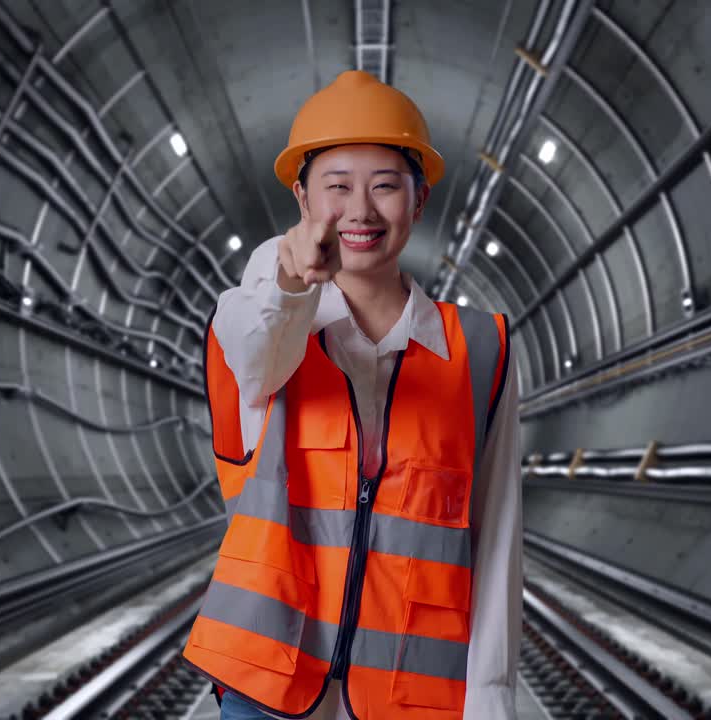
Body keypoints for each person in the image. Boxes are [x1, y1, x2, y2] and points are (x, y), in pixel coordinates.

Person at [182, 70, 521, 720]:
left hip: (410, 696)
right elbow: (258, 357)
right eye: (337, 186)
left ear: (419, 203)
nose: (360, 211)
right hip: (267, 690)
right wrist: (291, 273)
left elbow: (497, 537)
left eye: (385, 186)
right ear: (301, 196)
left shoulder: (482, 351)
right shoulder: (262, 314)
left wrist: (492, 704)